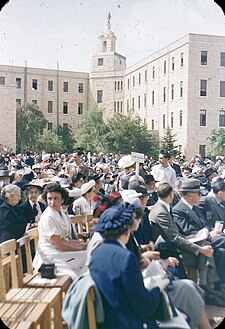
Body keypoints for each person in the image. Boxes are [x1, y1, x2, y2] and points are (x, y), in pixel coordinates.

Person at [149, 181, 225, 307]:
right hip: (171, 250)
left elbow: (202, 223)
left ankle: (210, 288)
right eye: (199, 193)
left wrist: (204, 232)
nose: (201, 196)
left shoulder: (167, 208)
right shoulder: (165, 210)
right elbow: (175, 238)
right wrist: (199, 249)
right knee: (207, 247)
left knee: (218, 250)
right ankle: (206, 288)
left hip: (187, 242)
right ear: (171, 195)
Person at [88, 202, 163, 329]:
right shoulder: (126, 258)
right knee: (181, 317)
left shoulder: (96, 253)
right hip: (128, 323)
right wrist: (158, 287)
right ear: (127, 230)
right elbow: (144, 306)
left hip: (107, 320)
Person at [172, 178, 225, 293]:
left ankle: (218, 285)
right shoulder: (178, 210)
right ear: (191, 195)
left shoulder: (195, 206)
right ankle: (209, 285)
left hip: (206, 238)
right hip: (194, 242)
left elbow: (205, 223)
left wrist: (208, 230)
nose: (201, 196)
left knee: (221, 251)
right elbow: (188, 231)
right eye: (199, 193)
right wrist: (208, 233)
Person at [32, 182, 88, 279]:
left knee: (89, 256)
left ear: (62, 200)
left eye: (56, 198)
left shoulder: (61, 212)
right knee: (81, 264)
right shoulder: (48, 217)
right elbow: (58, 243)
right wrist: (79, 248)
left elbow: (64, 237)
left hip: (60, 252)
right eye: (49, 199)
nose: (52, 202)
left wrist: (80, 243)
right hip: (50, 257)